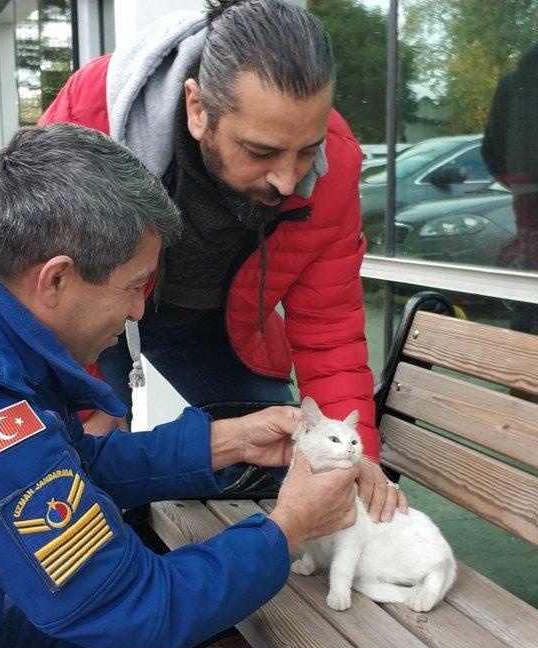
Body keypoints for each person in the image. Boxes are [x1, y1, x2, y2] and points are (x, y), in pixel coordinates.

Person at [0, 123, 361, 648]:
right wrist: (287, 525)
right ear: (57, 278)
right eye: (135, 286)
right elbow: (139, 608)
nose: (140, 310)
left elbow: (64, 466)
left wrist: (226, 442)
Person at [40, 0, 407, 519]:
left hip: (213, 326)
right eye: (260, 151)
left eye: (306, 149)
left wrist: (356, 456)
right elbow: (40, 284)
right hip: (94, 314)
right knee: (86, 458)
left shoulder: (333, 166)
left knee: (297, 454)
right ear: (197, 108)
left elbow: (330, 327)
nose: (289, 179)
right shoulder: (92, 119)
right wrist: (84, 403)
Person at [481, 42, 538, 336]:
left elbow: (490, 149)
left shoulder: (514, 82)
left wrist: (519, 181)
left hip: (526, 194)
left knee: (530, 286)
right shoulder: (515, 83)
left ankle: (520, 375)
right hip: (525, 189)